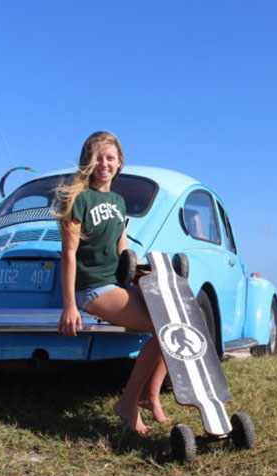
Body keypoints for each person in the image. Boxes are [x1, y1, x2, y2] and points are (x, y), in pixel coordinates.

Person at [54, 131, 168, 435]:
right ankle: (129, 402)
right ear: (88, 162)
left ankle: (150, 396)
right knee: (161, 330)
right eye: (98, 158)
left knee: (171, 323)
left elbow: (122, 251)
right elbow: (68, 252)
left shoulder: (118, 201)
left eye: (110, 158)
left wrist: (138, 274)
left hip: (115, 284)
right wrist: (69, 306)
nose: (104, 163)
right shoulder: (78, 199)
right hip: (92, 287)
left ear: (119, 163)